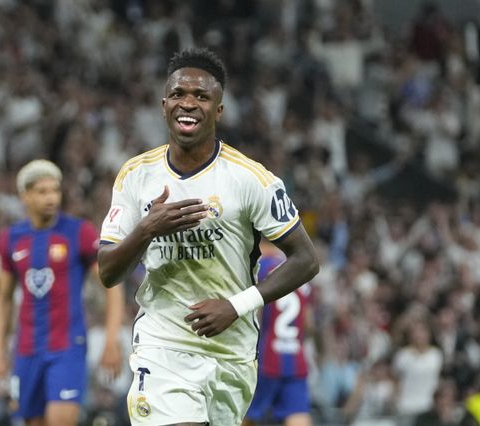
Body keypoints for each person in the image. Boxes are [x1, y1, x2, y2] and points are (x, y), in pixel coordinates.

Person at [97, 47, 319, 425]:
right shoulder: (136, 175)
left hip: (232, 354)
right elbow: (107, 271)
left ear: (219, 110)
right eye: (179, 94)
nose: (188, 103)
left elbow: (307, 259)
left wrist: (236, 305)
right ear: (164, 105)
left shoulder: (251, 179)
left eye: (201, 96)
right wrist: (147, 229)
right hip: (162, 344)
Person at [0, 159, 125, 426]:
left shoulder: (78, 232)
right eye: (42, 191)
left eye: (55, 190)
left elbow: (112, 285)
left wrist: (112, 340)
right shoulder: (11, 238)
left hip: (67, 348)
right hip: (26, 349)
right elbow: (3, 299)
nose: (51, 198)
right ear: (25, 196)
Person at [243, 241, 314, 426]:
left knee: (245, 414)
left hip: (266, 358)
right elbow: (308, 323)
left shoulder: (260, 267)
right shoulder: (303, 269)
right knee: (298, 415)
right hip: (295, 359)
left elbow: (254, 315)